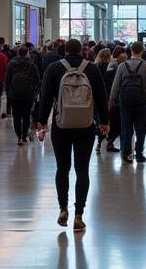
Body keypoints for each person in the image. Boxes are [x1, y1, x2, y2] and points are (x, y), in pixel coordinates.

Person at [37, 39, 109, 230]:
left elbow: (45, 97)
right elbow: (102, 96)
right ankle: (79, 214)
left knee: (62, 168)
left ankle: (62, 208)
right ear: (83, 50)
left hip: (61, 126)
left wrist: (42, 121)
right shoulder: (92, 69)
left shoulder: (53, 68)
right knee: (82, 169)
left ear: (64, 51)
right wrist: (105, 122)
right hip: (85, 125)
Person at [110, 42, 146, 163]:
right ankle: (139, 153)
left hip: (125, 101)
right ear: (142, 51)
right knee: (141, 128)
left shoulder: (122, 66)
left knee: (126, 127)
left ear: (131, 51)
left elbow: (115, 85)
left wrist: (112, 99)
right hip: (142, 101)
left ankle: (126, 153)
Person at [5, 46, 39, 144]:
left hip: (14, 94)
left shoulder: (12, 64)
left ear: (17, 53)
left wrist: (8, 91)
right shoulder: (32, 64)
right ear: (27, 53)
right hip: (28, 94)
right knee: (26, 115)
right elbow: (37, 80)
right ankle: (24, 136)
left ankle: (18, 136)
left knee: (16, 116)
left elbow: (7, 79)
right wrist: (36, 92)